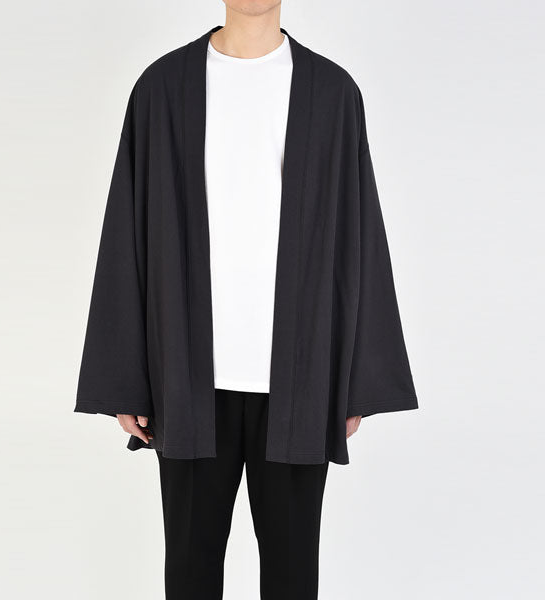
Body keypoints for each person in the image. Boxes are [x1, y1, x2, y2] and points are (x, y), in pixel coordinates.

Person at [75, 1, 418, 598]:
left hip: (299, 381)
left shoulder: (331, 92)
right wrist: (125, 379)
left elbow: (358, 233)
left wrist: (356, 382)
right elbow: (127, 231)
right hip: (186, 379)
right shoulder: (162, 88)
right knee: (189, 572)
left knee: (292, 575)